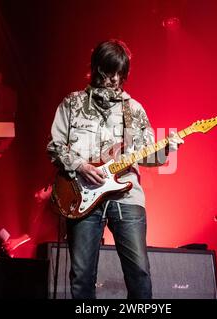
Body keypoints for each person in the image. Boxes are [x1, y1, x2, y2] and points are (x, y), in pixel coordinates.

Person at [46, 39, 183, 299]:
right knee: (82, 275)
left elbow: (148, 156)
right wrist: (81, 166)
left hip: (127, 195)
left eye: (120, 73)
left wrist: (168, 149)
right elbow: (54, 147)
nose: (115, 79)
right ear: (97, 68)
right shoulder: (72, 104)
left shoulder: (135, 110)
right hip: (81, 195)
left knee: (139, 273)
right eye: (109, 71)